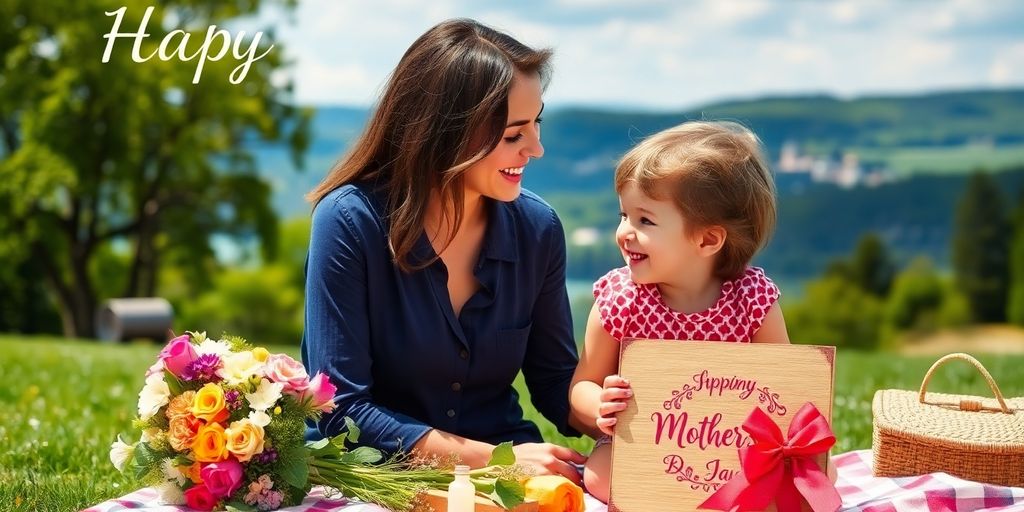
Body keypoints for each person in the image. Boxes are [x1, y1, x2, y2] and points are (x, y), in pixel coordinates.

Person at [301, 18, 586, 483]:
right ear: (447, 132)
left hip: (511, 478)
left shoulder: (539, 229)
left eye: (536, 124)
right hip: (374, 480)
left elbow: (555, 381)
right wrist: (499, 461)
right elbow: (341, 409)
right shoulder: (350, 221)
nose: (536, 149)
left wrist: (640, 421)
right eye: (514, 134)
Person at [569, 121, 791, 502]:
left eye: (645, 220)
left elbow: (786, 389)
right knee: (600, 476)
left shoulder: (752, 300)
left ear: (707, 239)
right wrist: (599, 405)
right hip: (642, 445)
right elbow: (580, 388)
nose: (624, 232)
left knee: (811, 471)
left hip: (727, 450)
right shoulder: (621, 300)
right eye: (624, 215)